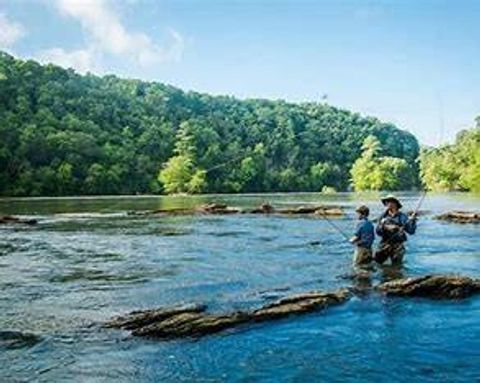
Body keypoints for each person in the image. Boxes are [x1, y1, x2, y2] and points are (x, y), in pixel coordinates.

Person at [374, 194, 417, 265]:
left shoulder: (402, 217)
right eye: (386, 202)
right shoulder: (382, 216)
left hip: (398, 246)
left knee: (397, 266)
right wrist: (385, 227)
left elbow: (411, 231)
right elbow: (378, 232)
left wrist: (412, 221)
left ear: (395, 203)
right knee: (377, 263)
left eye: (389, 201)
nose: (387, 203)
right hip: (384, 244)